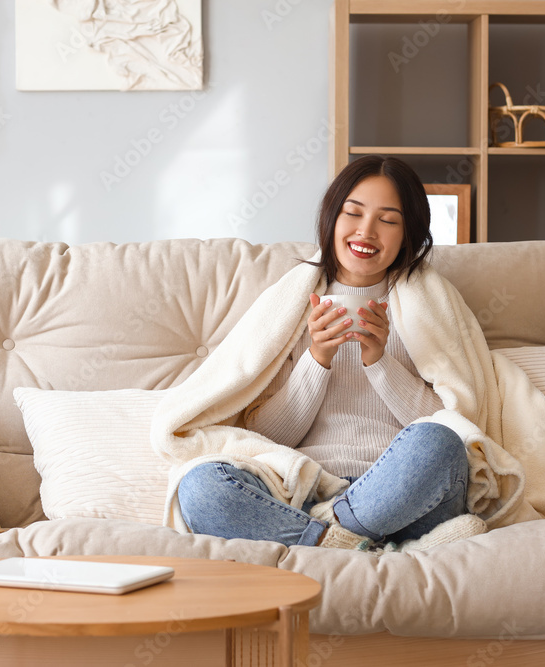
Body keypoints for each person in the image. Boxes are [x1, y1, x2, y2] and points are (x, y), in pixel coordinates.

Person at [177, 155, 486, 551]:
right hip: (303, 489)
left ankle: (324, 538)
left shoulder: (427, 305)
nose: (366, 231)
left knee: (438, 443)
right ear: (332, 218)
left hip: (404, 497)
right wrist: (316, 360)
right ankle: (359, 546)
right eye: (353, 213)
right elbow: (266, 437)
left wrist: (380, 363)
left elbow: (454, 422)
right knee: (200, 487)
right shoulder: (291, 307)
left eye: (388, 220)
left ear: (409, 233)